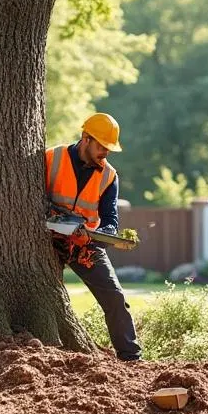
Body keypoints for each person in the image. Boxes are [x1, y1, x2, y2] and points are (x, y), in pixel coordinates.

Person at [45, 112, 142, 362]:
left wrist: (106, 236)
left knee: (115, 297)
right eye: (102, 146)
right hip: (43, 240)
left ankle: (131, 358)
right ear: (85, 138)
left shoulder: (109, 176)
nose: (106, 152)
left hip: (84, 244)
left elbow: (110, 220)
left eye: (110, 148)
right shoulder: (51, 158)